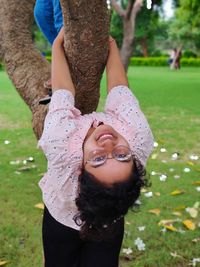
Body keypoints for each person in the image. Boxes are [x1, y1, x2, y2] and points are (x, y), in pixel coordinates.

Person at [38, 27, 154, 267]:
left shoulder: (60, 143)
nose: (109, 144)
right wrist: (109, 45)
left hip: (105, 220)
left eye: (99, 159)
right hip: (63, 216)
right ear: (134, 156)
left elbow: (62, 92)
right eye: (122, 156)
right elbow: (119, 89)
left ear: (79, 168)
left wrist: (57, 48)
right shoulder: (138, 137)